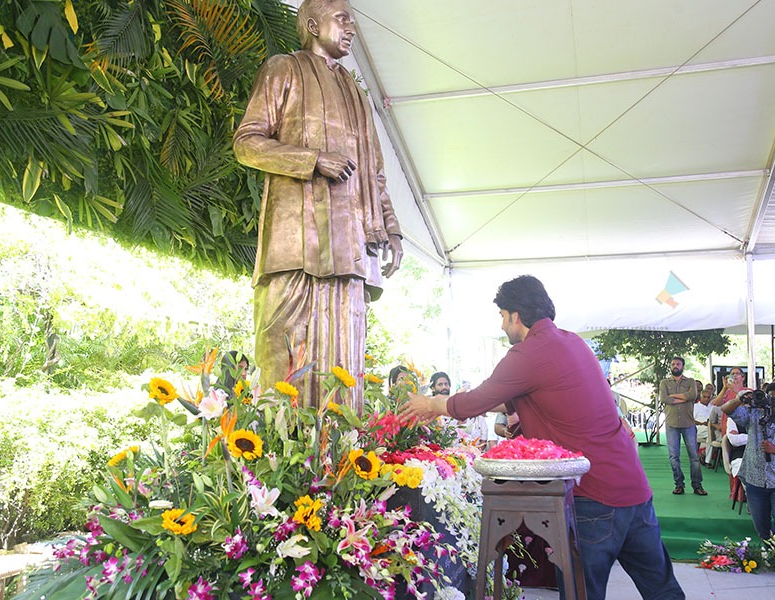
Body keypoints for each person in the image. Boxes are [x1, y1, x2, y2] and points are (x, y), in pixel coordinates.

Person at [399, 275, 684, 600]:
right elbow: (533, 396)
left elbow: (474, 402)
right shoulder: (572, 342)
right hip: (633, 486)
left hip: (593, 496)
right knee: (662, 590)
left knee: (581, 594)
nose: (502, 325)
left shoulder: (527, 353)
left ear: (515, 315)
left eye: (502, 316)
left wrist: (432, 404)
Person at [233, 0, 403, 414]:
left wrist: (393, 229)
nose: (352, 29)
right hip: (294, 243)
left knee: (346, 357)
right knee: (285, 348)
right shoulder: (283, 69)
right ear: (312, 23)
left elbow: (375, 172)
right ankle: (279, 460)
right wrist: (311, 160)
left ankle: (342, 460)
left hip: (350, 248)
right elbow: (246, 143)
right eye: (343, 19)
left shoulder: (358, 96)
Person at [721, 382, 775, 538]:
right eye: (772, 399)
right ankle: (770, 554)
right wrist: (739, 398)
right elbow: (726, 409)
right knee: (761, 526)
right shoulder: (753, 415)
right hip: (755, 479)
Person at [659, 357, 706, 495]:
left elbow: (693, 395)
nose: (675, 366)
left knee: (694, 457)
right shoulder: (664, 382)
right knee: (674, 456)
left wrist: (674, 396)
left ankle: (697, 485)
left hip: (688, 423)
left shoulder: (690, 381)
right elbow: (664, 398)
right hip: (671, 424)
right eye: (673, 364)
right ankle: (679, 484)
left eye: (678, 364)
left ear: (683, 366)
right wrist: (684, 397)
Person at [693, 388, 714, 463]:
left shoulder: (712, 407)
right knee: (711, 434)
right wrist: (702, 423)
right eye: (704, 397)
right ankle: (706, 459)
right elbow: (690, 420)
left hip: (711, 428)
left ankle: (706, 460)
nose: (706, 399)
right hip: (698, 428)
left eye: (708, 397)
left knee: (710, 438)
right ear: (700, 397)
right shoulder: (695, 406)